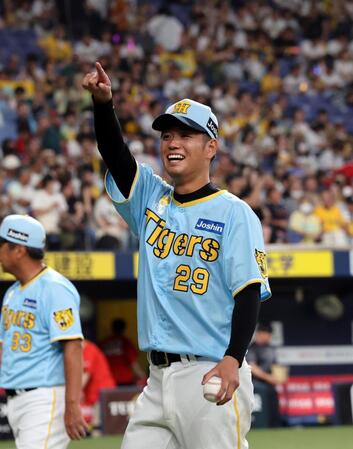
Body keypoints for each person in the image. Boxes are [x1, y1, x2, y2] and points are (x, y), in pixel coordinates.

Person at [83, 62, 271, 449]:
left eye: (187, 135)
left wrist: (234, 359)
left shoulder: (234, 212)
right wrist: (104, 106)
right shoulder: (151, 197)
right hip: (156, 379)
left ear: (211, 147)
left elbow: (248, 291)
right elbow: (116, 156)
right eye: (168, 135)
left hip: (209, 371)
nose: (173, 143)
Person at [0, 214, 88, 448]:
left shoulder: (54, 288)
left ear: (18, 250)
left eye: (2, 245)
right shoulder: (12, 293)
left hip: (44, 398)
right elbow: (4, 348)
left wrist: (72, 404)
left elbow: (73, 345)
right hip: (16, 399)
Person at [247, 323, 286, 427]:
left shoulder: (270, 349)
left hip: (269, 386)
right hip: (255, 386)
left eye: (270, 334)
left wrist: (279, 376)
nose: (268, 336)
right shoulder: (252, 348)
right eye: (266, 334)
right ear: (259, 334)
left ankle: (275, 426)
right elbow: (252, 367)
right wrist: (268, 378)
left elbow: (275, 366)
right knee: (261, 416)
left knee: (274, 411)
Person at [100, 318, 146, 386]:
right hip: (124, 381)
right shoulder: (125, 343)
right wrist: (143, 377)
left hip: (107, 380)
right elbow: (133, 363)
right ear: (124, 328)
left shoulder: (104, 343)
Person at [81, 339, 115, 429]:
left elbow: (85, 375)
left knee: (97, 425)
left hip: (102, 392)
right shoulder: (81, 351)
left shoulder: (89, 349)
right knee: (91, 424)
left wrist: (75, 392)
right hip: (92, 394)